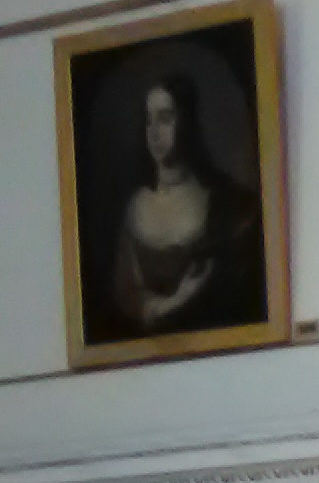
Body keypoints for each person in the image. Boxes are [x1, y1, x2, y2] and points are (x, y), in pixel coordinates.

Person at [108, 73, 264, 338]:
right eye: (149, 120)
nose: (154, 132)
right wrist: (174, 302)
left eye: (165, 118)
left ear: (187, 122)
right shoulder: (135, 207)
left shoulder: (226, 201)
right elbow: (128, 299)